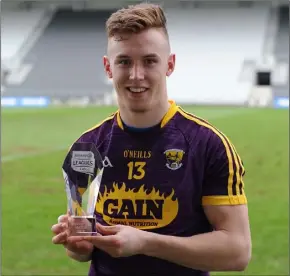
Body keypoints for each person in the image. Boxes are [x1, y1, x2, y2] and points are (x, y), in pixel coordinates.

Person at [51, 3, 252, 276]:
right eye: (124, 61)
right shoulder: (87, 148)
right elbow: (80, 253)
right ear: (108, 67)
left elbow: (237, 252)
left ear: (169, 64)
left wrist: (146, 242)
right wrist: (78, 242)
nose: (136, 75)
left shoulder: (209, 145)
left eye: (149, 60)